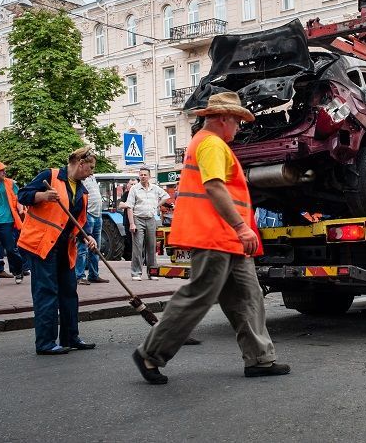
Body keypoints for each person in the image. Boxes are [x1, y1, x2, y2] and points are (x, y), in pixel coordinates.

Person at [133, 91, 289, 384]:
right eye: (237, 121)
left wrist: (240, 232)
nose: (240, 127)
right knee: (198, 296)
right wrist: (242, 228)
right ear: (222, 118)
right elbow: (215, 187)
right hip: (215, 236)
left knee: (248, 296)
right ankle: (149, 354)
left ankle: (260, 359)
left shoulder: (211, 144)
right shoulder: (211, 144)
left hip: (228, 239)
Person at [17, 146, 98, 355]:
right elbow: (23, 196)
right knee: (47, 292)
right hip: (42, 245)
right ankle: (45, 343)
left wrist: (86, 236)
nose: (91, 172)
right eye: (90, 168)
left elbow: (79, 222)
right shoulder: (50, 176)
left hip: (65, 247)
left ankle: (70, 337)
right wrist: (43, 196)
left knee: (69, 292)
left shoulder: (82, 190)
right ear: (80, 164)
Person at [126, 168, 170, 281]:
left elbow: (166, 196)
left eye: (145, 175)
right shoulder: (134, 189)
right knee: (138, 247)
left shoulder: (155, 188)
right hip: (138, 219)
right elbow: (129, 207)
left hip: (151, 219)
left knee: (151, 246)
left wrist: (156, 205)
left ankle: (152, 272)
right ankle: (136, 273)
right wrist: (132, 223)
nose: (143, 176)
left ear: (149, 176)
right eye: (141, 175)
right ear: (139, 176)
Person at [75, 173, 109, 285]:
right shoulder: (81, 177)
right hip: (88, 215)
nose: (92, 170)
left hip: (97, 215)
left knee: (96, 248)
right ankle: (79, 275)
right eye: (91, 167)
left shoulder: (92, 177)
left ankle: (94, 275)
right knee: (83, 248)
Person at [118, 178, 138, 261]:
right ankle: (133, 258)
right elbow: (121, 205)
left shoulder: (140, 193)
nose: (133, 186)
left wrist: (128, 204)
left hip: (138, 220)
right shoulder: (126, 194)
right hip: (127, 221)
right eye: (131, 184)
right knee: (130, 241)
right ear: (128, 185)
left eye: (134, 184)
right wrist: (129, 204)